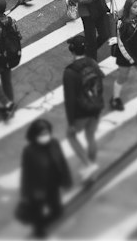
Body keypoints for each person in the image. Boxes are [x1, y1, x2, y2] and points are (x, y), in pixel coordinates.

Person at [18, 118, 72, 239]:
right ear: (35, 135)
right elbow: (27, 174)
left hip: (53, 185)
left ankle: (43, 224)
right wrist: (26, 194)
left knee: (57, 211)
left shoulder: (54, 143)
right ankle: (39, 230)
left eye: (47, 133)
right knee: (38, 215)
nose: (45, 136)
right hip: (38, 189)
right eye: (42, 134)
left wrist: (66, 179)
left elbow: (62, 162)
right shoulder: (29, 151)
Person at [62, 33, 105, 179]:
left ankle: (88, 165)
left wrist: (71, 121)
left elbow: (70, 99)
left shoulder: (70, 71)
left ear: (72, 50)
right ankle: (92, 164)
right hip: (95, 105)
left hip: (81, 110)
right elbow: (100, 83)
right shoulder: (93, 63)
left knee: (71, 136)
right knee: (90, 135)